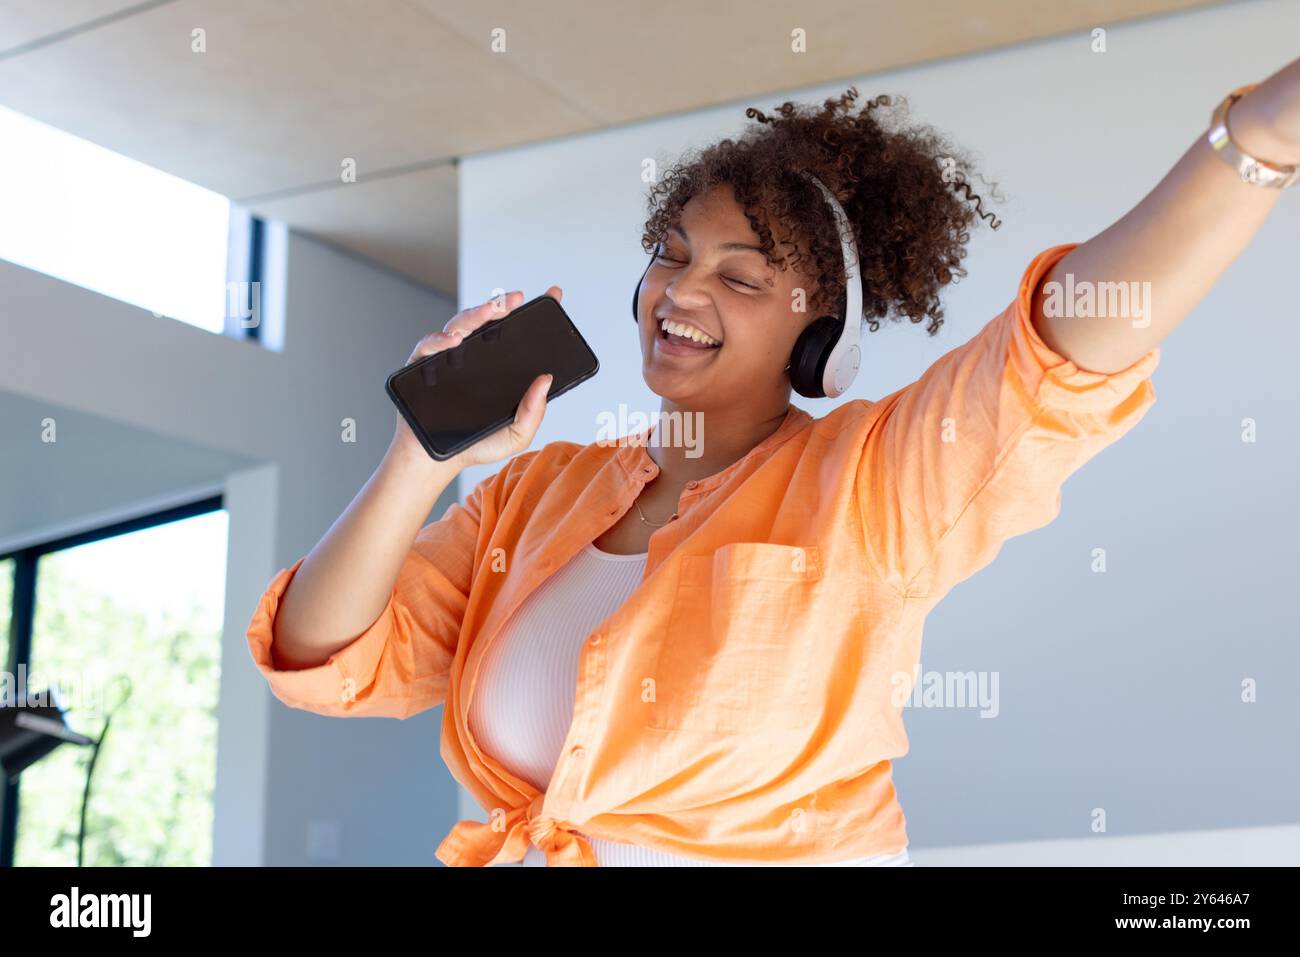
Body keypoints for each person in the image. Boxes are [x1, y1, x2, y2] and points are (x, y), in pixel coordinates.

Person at [245, 64, 1300, 866]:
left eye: (741, 280)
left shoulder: (873, 484)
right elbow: (326, 663)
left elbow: (1059, 352)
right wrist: (421, 460)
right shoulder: (534, 489)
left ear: (820, 339)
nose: (681, 291)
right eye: (671, 252)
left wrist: (1253, 140)